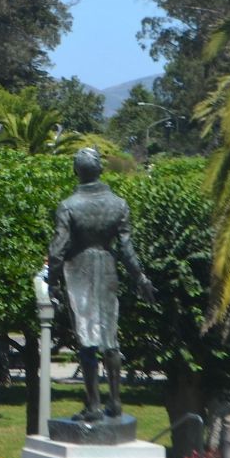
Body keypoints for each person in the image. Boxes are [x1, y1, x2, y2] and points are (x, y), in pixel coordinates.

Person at [48, 147, 157, 422]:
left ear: (76, 171)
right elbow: (126, 248)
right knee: (110, 337)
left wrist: (52, 283)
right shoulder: (118, 204)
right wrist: (140, 277)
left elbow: (57, 250)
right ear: (100, 170)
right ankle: (116, 401)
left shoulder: (68, 205)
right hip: (107, 268)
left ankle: (94, 406)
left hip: (79, 271)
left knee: (87, 339)